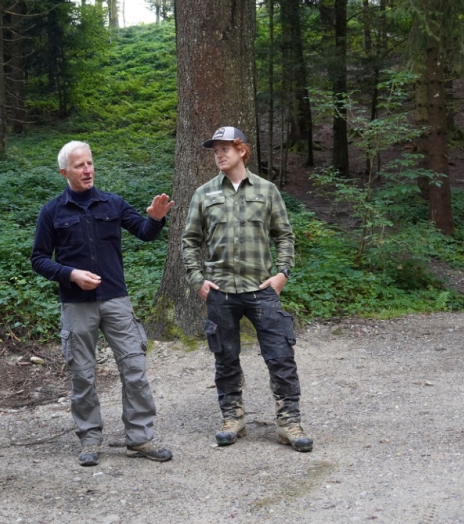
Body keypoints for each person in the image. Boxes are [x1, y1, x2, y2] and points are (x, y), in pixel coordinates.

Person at [31, 141, 175, 466]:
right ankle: (90, 440)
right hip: (76, 305)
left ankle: (140, 438)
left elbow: (145, 232)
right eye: (79, 165)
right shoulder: (52, 211)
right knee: (83, 375)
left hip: (116, 300)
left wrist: (155, 219)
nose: (87, 170)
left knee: (134, 368)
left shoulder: (113, 203)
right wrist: (70, 274)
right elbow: (38, 259)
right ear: (64, 172)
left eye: (90, 163)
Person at [181, 126, 314, 452]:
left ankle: (289, 422)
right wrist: (198, 280)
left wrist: (282, 273)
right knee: (225, 357)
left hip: (261, 289)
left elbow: (285, 235)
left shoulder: (267, 190)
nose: (219, 155)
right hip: (221, 291)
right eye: (215, 150)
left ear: (242, 150)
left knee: (281, 355)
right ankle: (232, 418)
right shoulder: (204, 194)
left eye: (225, 148)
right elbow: (189, 241)